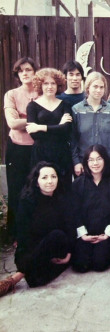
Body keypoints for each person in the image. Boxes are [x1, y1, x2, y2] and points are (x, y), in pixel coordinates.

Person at [0, 162, 71, 297]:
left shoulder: (63, 199)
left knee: (57, 235)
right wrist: (29, 258)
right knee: (34, 281)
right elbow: (23, 236)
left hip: (55, 249)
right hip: (32, 250)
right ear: (37, 182)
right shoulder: (27, 202)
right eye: (44, 178)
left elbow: (68, 228)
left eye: (53, 177)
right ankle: (22, 273)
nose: (50, 181)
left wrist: (68, 254)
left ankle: (18, 275)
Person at [71, 145, 110, 272]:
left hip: (105, 234)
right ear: (86, 162)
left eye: (99, 159)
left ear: (105, 160)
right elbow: (74, 210)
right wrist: (83, 234)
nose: (95, 163)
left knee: (99, 265)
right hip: (85, 234)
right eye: (91, 160)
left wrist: (107, 234)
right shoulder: (78, 183)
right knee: (80, 266)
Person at [3, 57, 39, 241]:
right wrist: (37, 119)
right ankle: (17, 235)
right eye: (21, 71)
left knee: (37, 189)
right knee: (17, 189)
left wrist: (24, 117)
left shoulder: (42, 93)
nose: (25, 73)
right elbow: (12, 123)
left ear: (35, 72)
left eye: (29, 70)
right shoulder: (11, 94)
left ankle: (35, 232)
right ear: (18, 74)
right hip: (17, 148)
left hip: (37, 148)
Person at [26, 68, 73, 189]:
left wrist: (40, 127)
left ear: (58, 85)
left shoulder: (65, 104)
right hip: (41, 152)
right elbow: (34, 135)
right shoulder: (32, 106)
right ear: (40, 85)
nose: (50, 86)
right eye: (46, 83)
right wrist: (59, 126)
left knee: (63, 188)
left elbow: (66, 130)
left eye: (53, 83)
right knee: (41, 187)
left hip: (61, 152)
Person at [71, 71, 110, 176]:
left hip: (107, 163)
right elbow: (72, 139)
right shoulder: (77, 110)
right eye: (95, 86)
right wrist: (76, 162)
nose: (98, 90)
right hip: (84, 163)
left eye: (101, 87)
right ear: (88, 88)